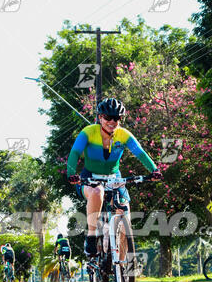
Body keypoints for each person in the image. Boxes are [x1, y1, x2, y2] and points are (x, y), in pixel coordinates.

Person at [67, 98, 160, 256]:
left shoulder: (123, 135)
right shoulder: (88, 132)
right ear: (100, 117)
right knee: (97, 193)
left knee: (125, 218)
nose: (112, 121)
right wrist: (71, 174)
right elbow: (75, 153)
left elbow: (140, 153)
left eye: (116, 118)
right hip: (89, 177)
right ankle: (91, 236)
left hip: (113, 177)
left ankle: (122, 268)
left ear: (120, 119)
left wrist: (154, 170)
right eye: (107, 117)